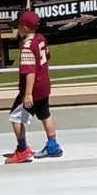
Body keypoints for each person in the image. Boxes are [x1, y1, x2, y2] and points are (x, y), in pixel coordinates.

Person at [5, 10, 63, 162]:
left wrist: (28, 93)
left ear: (25, 27)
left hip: (32, 89)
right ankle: (53, 145)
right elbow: (47, 57)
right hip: (44, 85)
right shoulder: (41, 38)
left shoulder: (27, 46)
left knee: (15, 117)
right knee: (45, 114)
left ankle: (22, 149)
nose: (17, 28)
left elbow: (29, 71)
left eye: (18, 26)